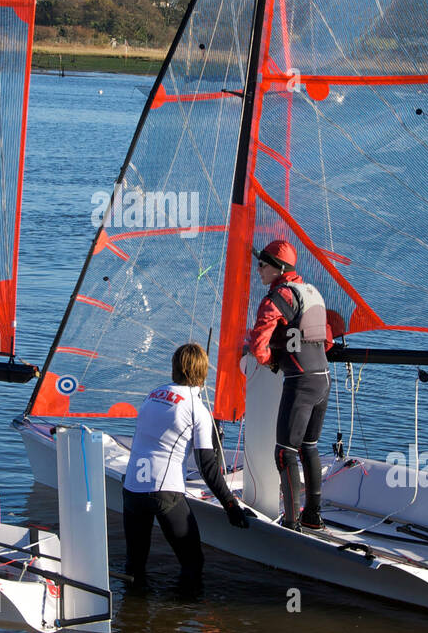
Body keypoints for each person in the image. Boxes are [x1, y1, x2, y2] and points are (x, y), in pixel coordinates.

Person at [122, 342, 251, 589]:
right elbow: (207, 467)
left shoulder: (153, 395)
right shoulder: (197, 410)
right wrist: (231, 506)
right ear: (203, 372)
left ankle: (131, 622)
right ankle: (180, 621)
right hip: (164, 492)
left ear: (175, 368)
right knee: (192, 563)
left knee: (135, 566)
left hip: (131, 489)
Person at [247, 239, 332, 531]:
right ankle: (313, 516)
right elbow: (328, 341)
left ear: (278, 269)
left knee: (284, 452)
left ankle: (292, 525)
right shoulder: (313, 293)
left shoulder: (277, 298)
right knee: (309, 446)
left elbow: (258, 347)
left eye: (262, 264)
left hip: (299, 381)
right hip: (323, 379)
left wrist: (272, 359)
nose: (258, 269)